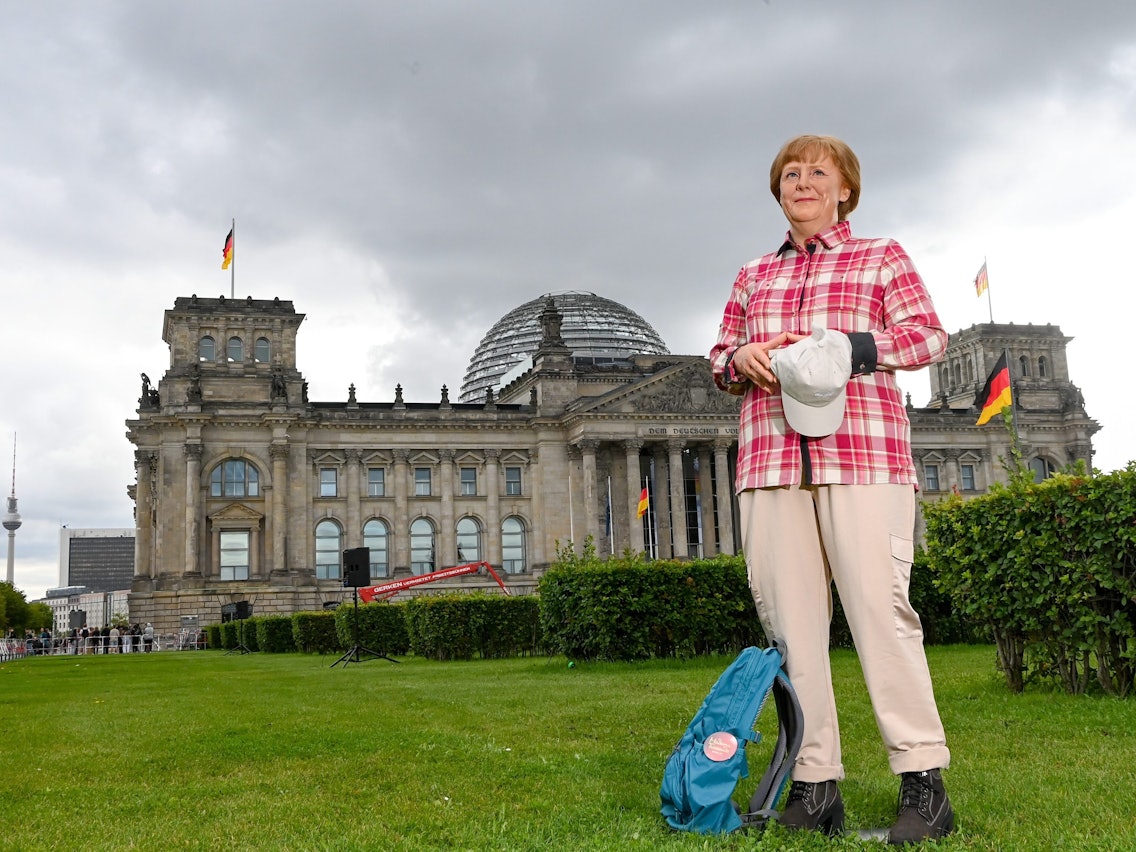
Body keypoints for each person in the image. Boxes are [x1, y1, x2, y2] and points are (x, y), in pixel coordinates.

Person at [710, 134, 953, 844]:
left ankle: (923, 786)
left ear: (845, 188)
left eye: (819, 172)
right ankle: (816, 788)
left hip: (863, 459)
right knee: (792, 636)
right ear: (778, 189)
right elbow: (720, 354)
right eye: (791, 172)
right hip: (771, 465)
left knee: (883, 618)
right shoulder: (753, 272)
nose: (803, 182)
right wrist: (741, 356)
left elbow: (929, 337)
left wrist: (853, 346)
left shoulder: (881, 257)